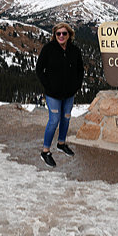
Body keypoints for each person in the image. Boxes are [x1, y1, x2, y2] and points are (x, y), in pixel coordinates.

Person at [35, 22, 85, 168]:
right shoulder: (48, 49)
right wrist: (48, 86)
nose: (61, 36)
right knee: (54, 120)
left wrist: (76, 86)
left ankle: (61, 143)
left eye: (64, 33)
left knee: (66, 118)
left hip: (69, 93)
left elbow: (80, 70)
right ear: (54, 35)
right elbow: (39, 70)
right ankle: (45, 151)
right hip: (53, 94)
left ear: (69, 35)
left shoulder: (75, 50)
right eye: (58, 34)